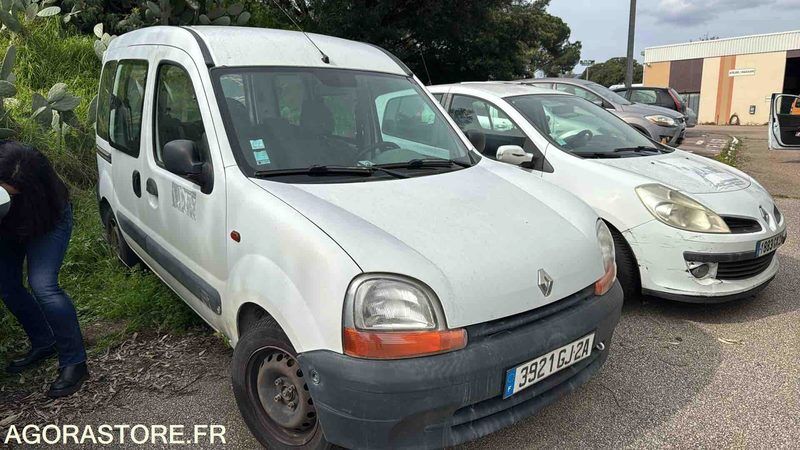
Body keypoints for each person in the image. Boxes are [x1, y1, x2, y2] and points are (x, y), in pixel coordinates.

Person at [0, 141, 88, 398]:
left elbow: (40, 220)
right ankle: (43, 341)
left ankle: (75, 363)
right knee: (7, 286)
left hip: (45, 224)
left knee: (43, 286)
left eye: (13, 192)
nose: (8, 194)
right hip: (6, 228)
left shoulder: (45, 194)